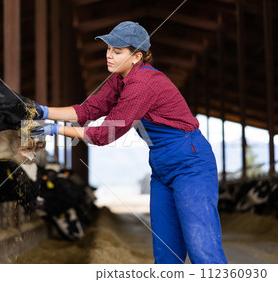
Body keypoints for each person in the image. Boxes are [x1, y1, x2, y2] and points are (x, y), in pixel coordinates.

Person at [30, 21, 227, 264]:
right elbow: (89, 110)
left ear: (137, 57)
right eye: (108, 48)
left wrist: (55, 129)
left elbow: (105, 134)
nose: (109, 55)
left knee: (202, 249)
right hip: (161, 166)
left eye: (117, 51)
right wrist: (43, 111)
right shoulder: (120, 79)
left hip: (190, 163)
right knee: (166, 253)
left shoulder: (142, 84)